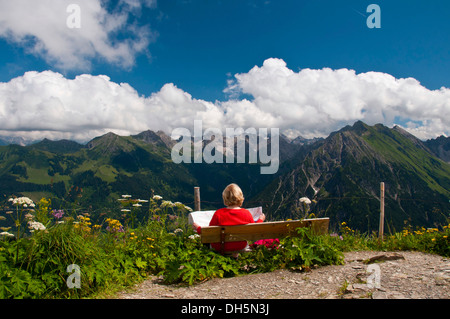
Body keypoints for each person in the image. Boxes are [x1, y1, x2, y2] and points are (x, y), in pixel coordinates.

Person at [193, 183, 265, 254]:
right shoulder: (246, 213)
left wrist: (198, 228)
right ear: (241, 197)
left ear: (225, 198)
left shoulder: (218, 213)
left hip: (220, 247)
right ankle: (234, 257)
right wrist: (261, 219)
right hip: (240, 246)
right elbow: (255, 230)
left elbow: (210, 233)